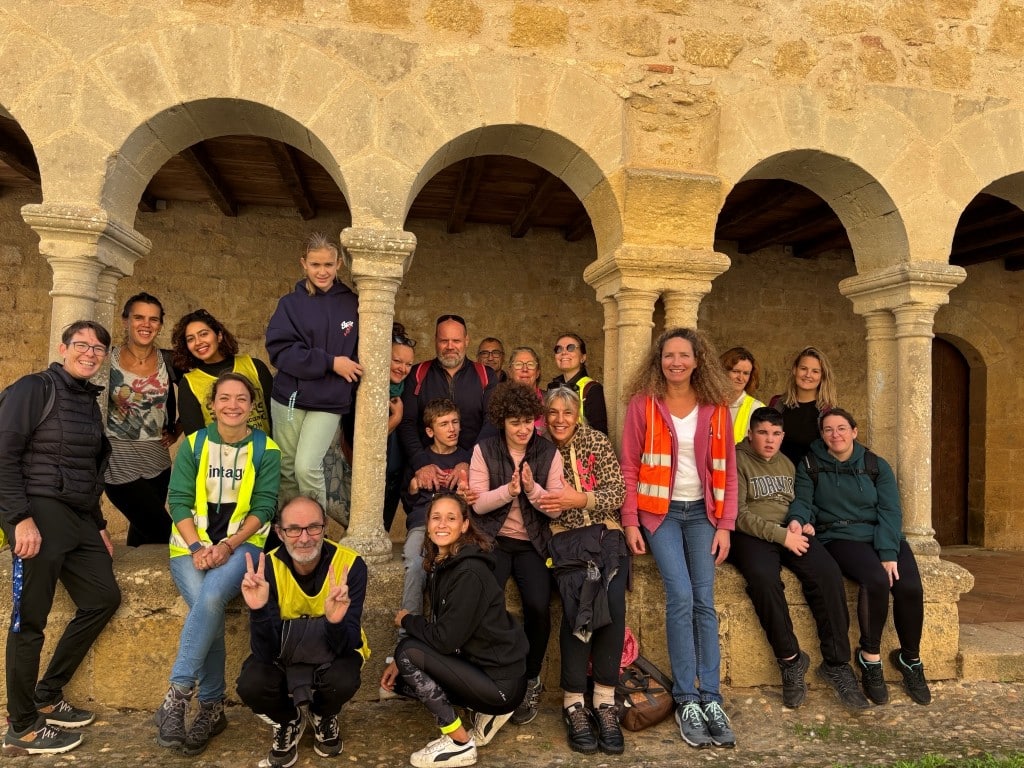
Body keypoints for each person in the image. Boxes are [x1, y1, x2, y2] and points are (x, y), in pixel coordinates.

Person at [0, 320, 121, 756]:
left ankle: (47, 693)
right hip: (39, 513)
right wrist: (18, 520)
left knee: (103, 597)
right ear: (63, 347)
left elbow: (86, 471)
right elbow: (4, 453)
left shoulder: (87, 401)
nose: (90, 353)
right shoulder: (34, 388)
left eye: (98, 348)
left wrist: (100, 525)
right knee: (29, 619)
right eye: (82, 345)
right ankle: (23, 725)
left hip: (78, 517)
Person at [619, 327, 737, 749]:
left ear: (697, 360)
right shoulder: (643, 405)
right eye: (669, 355)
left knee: (705, 600)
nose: (676, 362)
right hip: (660, 515)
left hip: (702, 514)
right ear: (659, 360)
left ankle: (712, 698)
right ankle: (687, 697)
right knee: (682, 596)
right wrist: (631, 521)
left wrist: (726, 525)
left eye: (684, 355)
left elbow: (729, 471)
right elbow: (629, 465)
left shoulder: (717, 408)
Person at [155, 372, 281, 755]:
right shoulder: (193, 445)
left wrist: (228, 545)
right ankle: (211, 706)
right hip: (189, 547)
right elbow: (177, 500)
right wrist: (197, 547)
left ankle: (176, 695)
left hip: (243, 546)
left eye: (241, 399)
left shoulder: (266, 449)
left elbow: (263, 506)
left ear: (252, 405)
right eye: (224, 398)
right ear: (212, 404)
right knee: (206, 606)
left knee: (208, 600)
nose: (232, 405)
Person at [787, 408, 931, 707]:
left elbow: (891, 511)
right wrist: (799, 520)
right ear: (822, 435)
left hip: (882, 533)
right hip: (840, 536)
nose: (835, 434)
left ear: (854, 431)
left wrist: (889, 552)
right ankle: (870, 658)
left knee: (909, 587)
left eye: (841, 428)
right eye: (828, 429)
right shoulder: (811, 464)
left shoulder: (876, 465)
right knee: (876, 580)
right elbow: (803, 501)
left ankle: (910, 660)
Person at [728, 408, 868, 711]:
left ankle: (836, 663)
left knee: (828, 572)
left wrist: (802, 521)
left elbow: (804, 501)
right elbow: (738, 515)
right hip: (752, 536)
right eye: (763, 433)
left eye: (776, 434)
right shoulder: (736, 460)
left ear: (783, 436)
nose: (769, 440)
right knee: (764, 580)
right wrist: (781, 537)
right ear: (750, 434)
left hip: (789, 531)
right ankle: (790, 660)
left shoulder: (788, 463)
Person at [380, 494, 528, 768]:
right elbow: (445, 632)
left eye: (451, 518)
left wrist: (407, 621)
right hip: (484, 668)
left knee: (407, 653)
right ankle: (485, 712)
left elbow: (445, 640)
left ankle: (460, 743)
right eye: (436, 518)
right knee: (402, 679)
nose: (442, 524)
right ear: (427, 524)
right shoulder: (445, 563)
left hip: (501, 685)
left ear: (464, 526)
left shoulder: (469, 572)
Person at [237, 495, 368, 767]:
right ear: (280, 533)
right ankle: (289, 720)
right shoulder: (268, 570)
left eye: (313, 527)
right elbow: (264, 652)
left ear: (325, 528)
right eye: (294, 529)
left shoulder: (351, 565)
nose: (305, 537)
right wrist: (259, 611)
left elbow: (348, 643)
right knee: (251, 684)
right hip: (283, 654)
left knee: (344, 678)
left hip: (333, 651)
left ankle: (322, 714)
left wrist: (334, 621)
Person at [464, 382, 565, 726]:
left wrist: (532, 489)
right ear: (502, 422)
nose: (522, 429)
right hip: (493, 539)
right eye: (514, 422)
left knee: (538, 605)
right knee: (485, 602)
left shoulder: (549, 453)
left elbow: (555, 508)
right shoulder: (484, 449)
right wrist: (509, 490)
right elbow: (477, 502)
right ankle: (488, 674)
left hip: (532, 543)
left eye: (527, 422)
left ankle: (532, 677)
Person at [537, 386, 628, 755]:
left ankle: (604, 701)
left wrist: (583, 498)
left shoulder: (597, 441)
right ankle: (574, 702)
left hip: (607, 533)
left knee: (614, 603)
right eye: (553, 413)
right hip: (567, 538)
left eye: (567, 413)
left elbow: (617, 491)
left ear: (578, 415)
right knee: (579, 604)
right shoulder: (541, 449)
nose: (560, 420)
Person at [266, 233, 362, 519]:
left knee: (307, 466)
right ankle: (290, 530)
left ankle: (313, 529)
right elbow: (280, 351)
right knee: (285, 468)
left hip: (329, 400)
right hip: (289, 398)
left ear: (339, 265)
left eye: (329, 265)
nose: (322, 271)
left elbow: (364, 350)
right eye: (315, 264)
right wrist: (330, 362)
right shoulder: (290, 304)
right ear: (303, 264)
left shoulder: (353, 305)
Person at [105, 293, 178, 546]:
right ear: (125, 320)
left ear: (160, 324)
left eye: (153, 319)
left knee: (143, 536)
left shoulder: (169, 361)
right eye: (138, 317)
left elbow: (201, 394)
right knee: (167, 535)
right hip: (117, 461)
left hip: (157, 462)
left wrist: (178, 429)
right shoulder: (107, 360)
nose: (146, 324)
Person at [398, 314, 497, 495]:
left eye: (456, 340)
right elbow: (406, 422)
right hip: (429, 476)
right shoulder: (418, 373)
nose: (450, 346)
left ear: (466, 341)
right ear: (435, 341)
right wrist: (421, 463)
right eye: (444, 341)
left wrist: (469, 461)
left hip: (473, 472)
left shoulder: (486, 375)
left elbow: (492, 423)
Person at [401, 399, 471, 623]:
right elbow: (407, 500)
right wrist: (414, 485)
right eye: (444, 424)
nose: (452, 429)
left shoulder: (467, 459)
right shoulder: (421, 460)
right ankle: (407, 635)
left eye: (455, 422)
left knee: (453, 569)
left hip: (455, 528)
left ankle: (444, 634)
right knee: (414, 565)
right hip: (423, 524)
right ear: (430, 431)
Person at [171, 308, 274, 435]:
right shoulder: (189, 384)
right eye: (190, 339)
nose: (198, 342)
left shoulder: (255, 367)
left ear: (219, 336)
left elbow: (277, 417)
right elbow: (195, 439)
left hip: (265, 452)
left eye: (203, 334)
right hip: (219, 454)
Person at [769, 346, 838, 465]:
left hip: (811, 480)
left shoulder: (828, 412)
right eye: (803, 368)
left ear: (822, 377)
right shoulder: (777, 404)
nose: (808, 375)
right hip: (778, 477)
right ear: (795, 370)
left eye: (815, 371)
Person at [383, 323, 416, 532]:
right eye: (396, 361)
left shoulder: (405, 389)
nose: (402, 369)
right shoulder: (366, 389)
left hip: (394, 477)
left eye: (408, 364)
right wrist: (396, 418)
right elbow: (367, 442)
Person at [547, 333, 608, 435]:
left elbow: (599, 434)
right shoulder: (552, 387)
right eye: (559, 349)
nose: (564, 352)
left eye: (570, 348)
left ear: (583, 357)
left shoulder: (592, 389)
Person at [719, 346, 765, 444]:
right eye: (735, 371)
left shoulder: (757, 408)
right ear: (722, 372)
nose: (740, 378)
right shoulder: (708, 403)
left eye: (746, 373)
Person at [508, 346, 544, 434]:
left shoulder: (550, 401)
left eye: (530, 364)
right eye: (518, 364)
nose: (525, 369)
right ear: (510, 372)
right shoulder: (501, 403)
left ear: (537, 372)